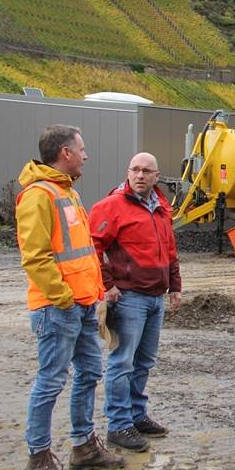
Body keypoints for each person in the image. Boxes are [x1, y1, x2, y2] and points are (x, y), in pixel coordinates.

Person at [16, 125, 125, 470]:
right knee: (50, 381)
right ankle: (39, 458)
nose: (86, 155)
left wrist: (92, 295)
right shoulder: (39, 195)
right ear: (65, 153)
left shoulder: (67, 193)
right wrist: (63, 297)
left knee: (90, 371)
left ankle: (83, 447)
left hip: (79, 306)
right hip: (57, 307)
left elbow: (82, 256)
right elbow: (36, 257)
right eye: (82, 149)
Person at [89, 152, 181, 452]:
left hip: (155, 297)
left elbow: (169, 249)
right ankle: (118, 425)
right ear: (128, 172)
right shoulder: (112, 206)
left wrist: (175, 286)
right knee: (122, 362)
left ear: (157, 176)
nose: (140, 175)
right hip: (129, 298)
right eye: (135, 170)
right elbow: (92, 246)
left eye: (146, 171)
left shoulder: (161, 207)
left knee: (144, 362)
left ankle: (136, 415)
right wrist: (108, 285)